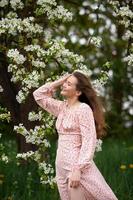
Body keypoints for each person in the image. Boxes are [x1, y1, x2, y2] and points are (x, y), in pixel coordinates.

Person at [33, 71, 118, 200]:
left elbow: (89, 140)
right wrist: (59, 81)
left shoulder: (83, 109)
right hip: (61, 167)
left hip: (76, 167)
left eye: (68, 84)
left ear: (78, 92)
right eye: (65, 83)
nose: (64, 86)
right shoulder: (62, 107)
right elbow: (38, 95)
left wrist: (78, 169)